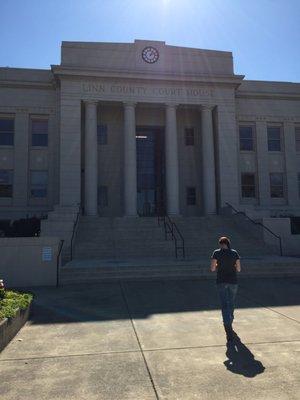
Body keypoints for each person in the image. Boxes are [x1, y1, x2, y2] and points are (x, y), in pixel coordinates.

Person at [210, 236, 241, 342]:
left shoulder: (216, 253)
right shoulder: (234, 252)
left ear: (220, 244)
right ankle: (230, 321)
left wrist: (218, 264)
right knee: (231, 302)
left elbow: (212, 268)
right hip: (233, 281)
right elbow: (239, 268)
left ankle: (227, 326)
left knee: (224, 304)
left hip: (221, 281)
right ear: (228, 243)